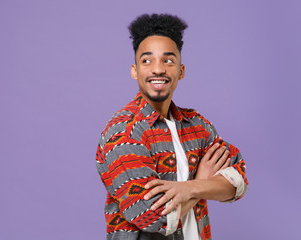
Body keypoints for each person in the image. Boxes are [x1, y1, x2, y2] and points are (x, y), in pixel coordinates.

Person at [95, 13, 248, 240]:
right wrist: (204, 184)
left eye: (168, 60)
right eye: (147, 60)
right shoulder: (123, 132)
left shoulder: (196, 124)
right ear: (134, 70)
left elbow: (239, 181)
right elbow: (153, 217)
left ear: (181, 71)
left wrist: (190, 188)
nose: (158, 69)